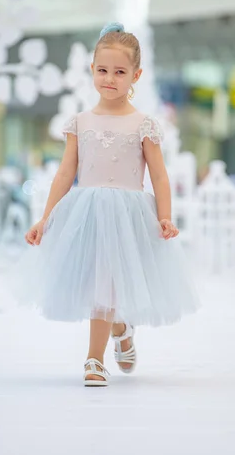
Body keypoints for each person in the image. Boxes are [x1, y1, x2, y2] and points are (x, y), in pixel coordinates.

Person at [17, 22, 198, 386]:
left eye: (119, 72)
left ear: (136, 75)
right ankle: (121, 329)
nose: (110, 78)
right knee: (101, 284)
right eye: (103, 70)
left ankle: (94, 359)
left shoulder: (143, 124)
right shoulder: (80, 122)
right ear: (92, 71)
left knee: (109, 285)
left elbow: (159, 176)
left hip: (128, 217)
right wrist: (45, 219)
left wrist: (165, 216)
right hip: (87, 214)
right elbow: (65, 174)